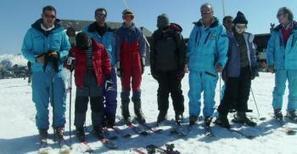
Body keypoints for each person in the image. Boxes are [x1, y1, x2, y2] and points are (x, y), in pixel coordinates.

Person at [21, 5, 70, 143]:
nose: (49, 18)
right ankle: (43, 129)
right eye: (47, 15)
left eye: (52, 16)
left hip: (57, 72)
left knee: (60, 102)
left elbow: (67, 48)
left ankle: (59, 127)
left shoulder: (61, 32)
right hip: (39, 73)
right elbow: (25, 50)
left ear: (55, 17)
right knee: (40, 104)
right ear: (42, 16)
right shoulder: (32, 32)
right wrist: (36, 58)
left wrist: (59, 54)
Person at [187, 3, 228, 126]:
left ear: (212, 12)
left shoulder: (219, 28)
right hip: (194, 68)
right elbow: (190, 46)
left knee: (209, 95)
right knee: (193, 94)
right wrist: (187, 60)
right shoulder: (196, 28)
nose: (205, 14)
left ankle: (208, 115)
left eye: (207, 12)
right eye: (203, 12)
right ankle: (193, 114)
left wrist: (221, 62)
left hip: (210, 68)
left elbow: (223, 48)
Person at [216, 11, 258, 128]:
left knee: (244, 93)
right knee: (230, 94)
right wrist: (224, 70)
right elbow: (224, 54)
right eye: (238, 26)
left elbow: (252, 54)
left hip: (246, 70)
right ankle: (222, 116)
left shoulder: (248, 37)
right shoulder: (228, 37)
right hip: (233, 71)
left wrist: (254, 67)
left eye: (243, 26)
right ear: (234, 25)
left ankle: (241, 114)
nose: (241, 29)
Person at [67, 32, 112, 142]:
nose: (82, 48)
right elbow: (68, 65)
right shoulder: (75, 49)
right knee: (80, 106)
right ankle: (79, 128)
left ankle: (97, 127)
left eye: (85, 46)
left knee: (97, 105)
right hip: (81, 80)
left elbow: (106, 61)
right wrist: (70, 62)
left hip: (96, 78)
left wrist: (108, 75)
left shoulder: (99, 48)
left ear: (89, 41)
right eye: (80, 47)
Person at [83, 8, 117, 128]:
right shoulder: (87, 31)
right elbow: (82, 48)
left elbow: (116, 48)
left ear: (105, 17)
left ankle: (111, 117)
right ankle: (100, 118)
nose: (101, 17)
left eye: (103, 15)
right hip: (95, 69)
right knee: (98, 95)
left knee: (111, 93)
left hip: (110, 69)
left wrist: (116, 63)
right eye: (98, 15)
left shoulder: (111, 31)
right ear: (95, 16)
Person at [150, 14, 186, 125]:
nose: (162, 26)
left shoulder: (176, 34)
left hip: (174, 70)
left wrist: (182, 68)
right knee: (162, 93)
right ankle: (162, 112)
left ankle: (179, 112)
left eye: (163, 23)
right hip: (161, 70)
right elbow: (152, 54)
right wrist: (153, 69)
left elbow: (182, 52)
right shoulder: (155, 35)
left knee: (176, 92)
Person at [115, 9, 147, 124]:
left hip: (136, 59)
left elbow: (143, 46)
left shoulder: (138, 31)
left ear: (132, 18)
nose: (128, 19)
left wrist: (142, 60)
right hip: (124, 60)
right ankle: (125, 112)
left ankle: (138, 110)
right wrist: (118, 65)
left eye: (130, 17)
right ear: (123, 18)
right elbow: (117, 48)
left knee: (137, 84)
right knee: (125, 85)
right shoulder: (119, 32)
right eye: (126, 17)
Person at [266, 7, 297, 122]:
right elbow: (270, 48)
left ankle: (291, 110)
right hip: (280, 65)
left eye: (281, 15)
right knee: (279, 88)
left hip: (294, 65)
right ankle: (277, 110)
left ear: (288, 15)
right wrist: (270, 63)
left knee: (294, 89)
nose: (278, 17)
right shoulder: (275, 31)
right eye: (277, 15)